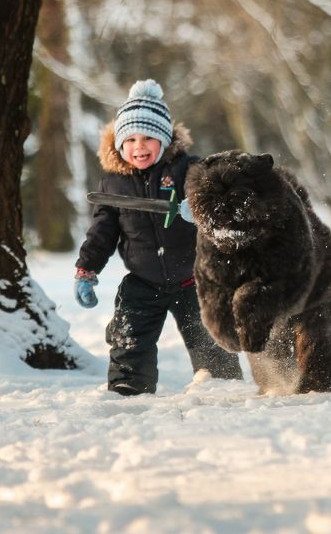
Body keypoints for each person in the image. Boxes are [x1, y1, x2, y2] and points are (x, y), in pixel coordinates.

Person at [74, 79, 243, 396]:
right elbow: (102, 231)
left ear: (164, 139)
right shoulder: (114, 184)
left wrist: (202, 208)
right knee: (129, 336)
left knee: (208, 332)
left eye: (149, 137)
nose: (139, 146)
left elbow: (219, 195)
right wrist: (87, 268)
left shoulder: (187, 169)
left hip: (194, 277)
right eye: (131, 139)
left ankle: (219, 381)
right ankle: (129, 383)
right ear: (119, 144)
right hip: (143, 278)